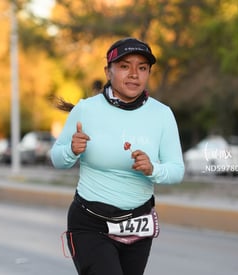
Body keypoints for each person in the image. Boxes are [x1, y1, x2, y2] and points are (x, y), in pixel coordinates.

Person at [51, 37, 185, 275]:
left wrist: (153, 169)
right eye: (125, 66)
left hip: (137, 224)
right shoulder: (86, 109)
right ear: (108, 71)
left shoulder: (162, 114)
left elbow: (177, 170)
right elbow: (57, 159)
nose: (134, 74)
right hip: (90, 223)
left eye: (142, 68)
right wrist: (71, 150)